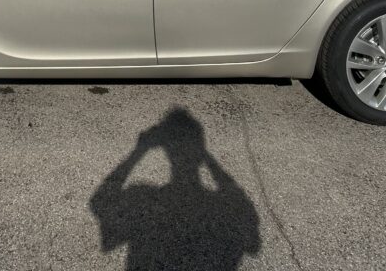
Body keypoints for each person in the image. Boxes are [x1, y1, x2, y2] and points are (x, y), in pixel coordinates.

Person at [90, 107, 260, 270]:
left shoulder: (144, 196)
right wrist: (207, 156)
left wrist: (139, 151)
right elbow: (253, 247)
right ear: (199, 156)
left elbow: (100, 202)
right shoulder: (230, 207)